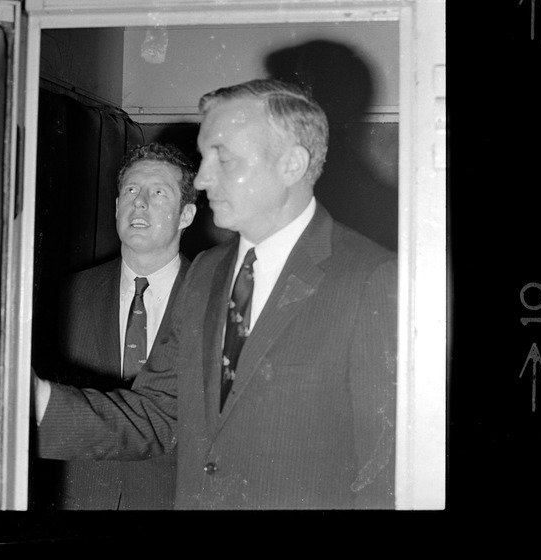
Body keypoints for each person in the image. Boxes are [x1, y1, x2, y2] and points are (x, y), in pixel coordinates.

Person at [34, 79, 397, 509]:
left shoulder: (370, 278)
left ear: (291, 165)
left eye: (222, 158)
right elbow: (157, 414)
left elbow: (384, 472)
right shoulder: (208, 273)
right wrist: (31, 398)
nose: (203, 179)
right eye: (205, 158)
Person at [40, 142, 197, 509]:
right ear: (115, 207)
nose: (139, 202)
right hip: (81, 499)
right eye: (130, 190)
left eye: (158, 192)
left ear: (186, 214)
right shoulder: (67, 294)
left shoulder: (217, 299)